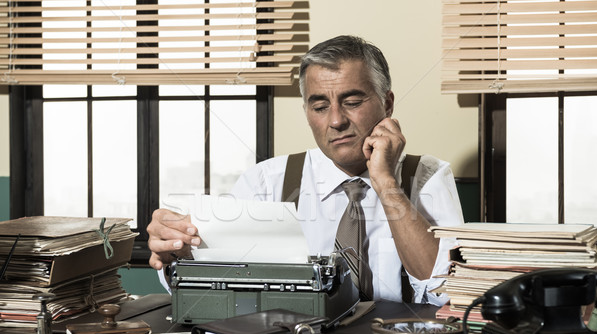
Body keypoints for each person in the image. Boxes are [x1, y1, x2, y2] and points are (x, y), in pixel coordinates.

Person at [146, 35, 463, 305]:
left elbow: (447, 293)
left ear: (387, 104)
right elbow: (217, 282)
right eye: (320, 107)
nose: (336, 121)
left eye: (352, 102)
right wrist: (177, 252)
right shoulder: (266, 182)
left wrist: (385, 182)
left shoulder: (429, 176)